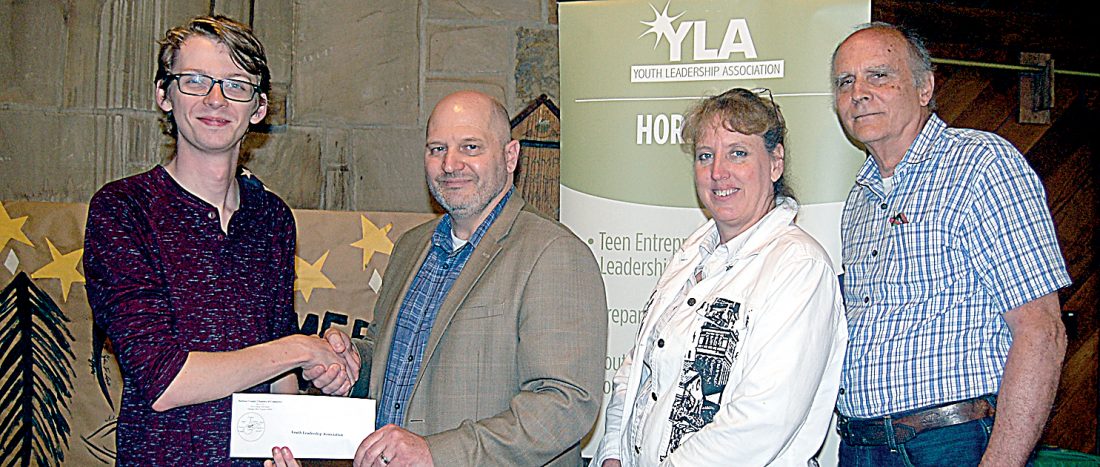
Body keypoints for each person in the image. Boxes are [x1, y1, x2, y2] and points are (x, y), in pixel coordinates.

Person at [270, 90, 608, 467]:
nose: (450, 164)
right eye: (437, 149)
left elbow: (565, 404)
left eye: (470, 147)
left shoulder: (553, 253)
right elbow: (395, 364)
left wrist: (437, 453)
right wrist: (352, 364)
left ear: (510, 156)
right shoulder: (411, 247)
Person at [84, 15, 357, 466]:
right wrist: (299, 349)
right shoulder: (123, 210)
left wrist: (319, 378)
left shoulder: (272, 218)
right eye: (195, 80)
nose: (216, 99)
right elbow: (164, 380)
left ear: (259, 107)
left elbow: (279, 368)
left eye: (236, 85)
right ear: (163, 94)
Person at [831, 22, 1071, 466]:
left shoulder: (982, 165)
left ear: (925, 88)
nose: (858, 93)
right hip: (861, 447)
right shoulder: (859, 201)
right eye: (845, 82)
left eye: (878, 75)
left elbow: (1041, 330)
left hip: (951, 443)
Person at [592, 88, 847, 466]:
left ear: (775, 163)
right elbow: (639, 367)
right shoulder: (692, 257)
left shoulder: (799, 266)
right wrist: (613, 451)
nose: (717, 172)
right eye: (705, 156)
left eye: (738, 153)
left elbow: (760, 421)